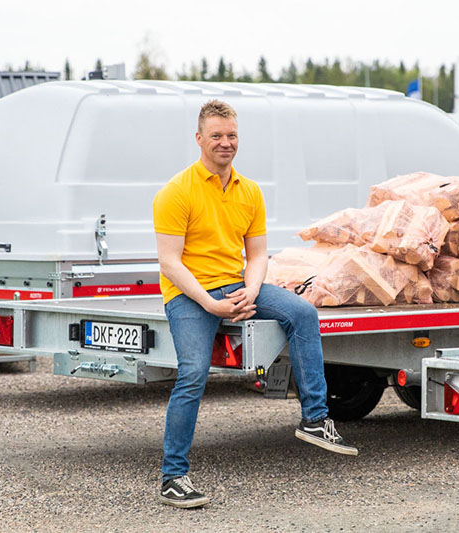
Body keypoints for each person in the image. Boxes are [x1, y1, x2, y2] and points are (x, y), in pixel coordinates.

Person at [152, 99, 358, 509]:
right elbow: (169, 263)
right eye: (216, 136)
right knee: (192, 374)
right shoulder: (176, 192)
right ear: (199, 139)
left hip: (237, 284)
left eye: (231, 135)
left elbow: (258, 254)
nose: (225, 143)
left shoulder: (249, 191)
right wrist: (212, 306)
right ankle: (173, 476)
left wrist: (250, 289)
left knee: (303, 312)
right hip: (191, 294)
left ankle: (314, 419)